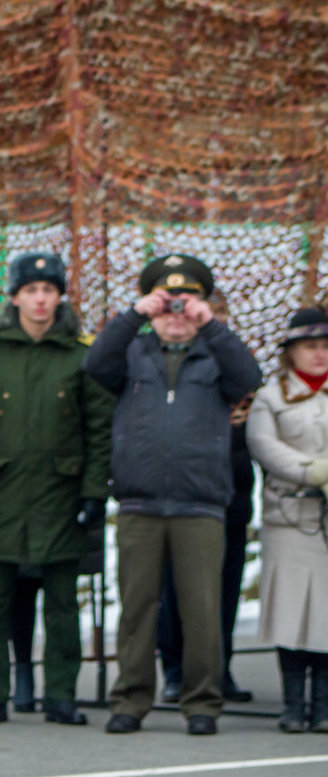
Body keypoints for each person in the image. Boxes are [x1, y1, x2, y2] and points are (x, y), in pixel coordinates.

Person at [85, 254, 261, 736]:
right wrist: (136, 313)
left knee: (202, 609)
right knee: (137, 608)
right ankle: (131, 699)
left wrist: (211, 325)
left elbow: (249, 378)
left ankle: (202, 702)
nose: (176, 313)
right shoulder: (132, 354)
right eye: (168, 305)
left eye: (187, 304)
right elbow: (95, 363)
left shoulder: (215, 355)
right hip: (140, 502)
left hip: (199, 503)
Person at [0, 252, 112, 727]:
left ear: (60, 295)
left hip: (61, 496)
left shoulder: (83, 353)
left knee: (63, 602)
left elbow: (99, 431)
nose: (41, 300)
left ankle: (61, 695)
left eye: (49, 290)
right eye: (31, 291)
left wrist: (93, 493)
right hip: (2, 496)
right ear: (16, 296)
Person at [156, 289, 256, 704]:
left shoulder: (234, 364)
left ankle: (220, 666)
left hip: (229, 492)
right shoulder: (174, 361)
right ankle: (176, 670)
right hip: (184, 494)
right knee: (175, 590)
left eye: (215, 314)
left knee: (224, 589)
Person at [246, 306, 328, 733]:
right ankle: (293, 704)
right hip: (289, 518)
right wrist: (311, 470)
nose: (319, 355)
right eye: (309, 346)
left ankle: (324, 704)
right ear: (291, 352)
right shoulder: (271, 396)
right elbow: (263, 444)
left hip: (327, 519)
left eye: (325, 346)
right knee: (290, 612)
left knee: (327, 614)